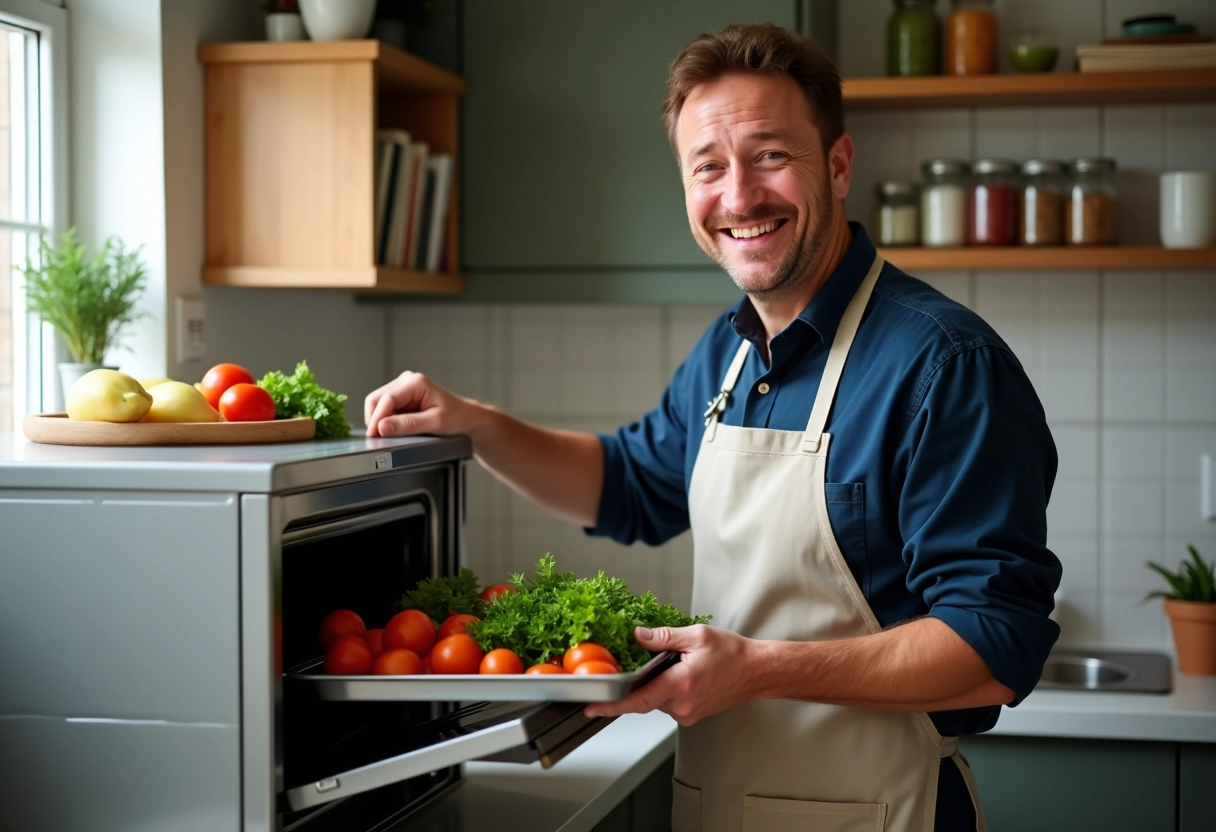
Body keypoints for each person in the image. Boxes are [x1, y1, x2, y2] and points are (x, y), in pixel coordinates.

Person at [364, 23, 1060, 832]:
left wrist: (757, 671)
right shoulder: (729, 354)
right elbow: (624, 486)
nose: (738, 196)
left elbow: (992, 647)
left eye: (770, 155)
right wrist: (473, 424)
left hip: (878, 813)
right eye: (707, 167)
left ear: (836, 166)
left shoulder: (944, 364)